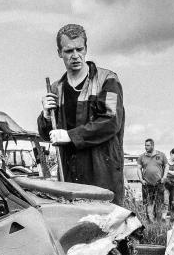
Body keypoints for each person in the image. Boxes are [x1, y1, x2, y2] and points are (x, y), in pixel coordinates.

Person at [38, 23, 125, 204]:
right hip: (69, 179)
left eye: (80, 49)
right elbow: (48, 135)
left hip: (103, 177)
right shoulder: (56, 89)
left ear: (86, 49)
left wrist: (70, 136)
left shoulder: (108, 80)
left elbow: (111, 121)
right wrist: (45, 116)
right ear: (59, 52)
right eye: (69, 51)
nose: (75, 55)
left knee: (104, 221)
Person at [138, 138, 168, 219]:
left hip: (159, 183)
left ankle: (158, 220)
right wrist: (141, 179)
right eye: (145, 145)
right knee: (148, 203)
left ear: (152, 146)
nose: (146, 147)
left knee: (159, 203)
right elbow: (138, 168)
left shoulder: (161, 155)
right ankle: (149, 220)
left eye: (148, 145)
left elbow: (166, 166)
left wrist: (164, 177)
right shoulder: (142, 157)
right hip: (147, 184)